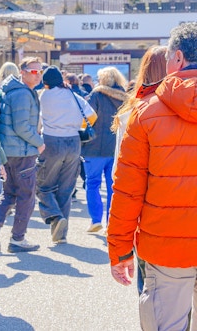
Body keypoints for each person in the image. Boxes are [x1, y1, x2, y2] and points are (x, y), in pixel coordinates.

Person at [108, 22, 197, 331]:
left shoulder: (145, 113)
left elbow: (128, 189)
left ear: (178, 59)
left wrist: (120, 249)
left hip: (167, 245)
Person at [111, 46, 167, 295]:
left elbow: (120, 176)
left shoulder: (131, 114)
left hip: (148, 217)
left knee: (154, 293)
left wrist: (121, 246)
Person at [0, 57, 45, 254]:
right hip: (22, 151)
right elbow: (22, 127)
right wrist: (39, 142)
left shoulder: (13, 90)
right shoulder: (22, 93)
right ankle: (17, 238)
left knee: (9, 193)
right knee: (26, 196)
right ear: (23, 71)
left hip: (9, 151)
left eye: (40, 71)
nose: (38, 75)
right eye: (34, 71)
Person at [37, 66, 94, 244]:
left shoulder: (43, 96)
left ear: (45, 83)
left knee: (42, 186)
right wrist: (77, 126)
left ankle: (54, 215)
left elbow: (37, 122)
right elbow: (93, 116)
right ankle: (60, 234)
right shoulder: (73, 95)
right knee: (66, 188)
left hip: (51, 142)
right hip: (74, 143)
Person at [84, 67, 127, 233]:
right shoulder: (126, 98)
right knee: (113, 186)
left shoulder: (96, 95)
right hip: (117, 149)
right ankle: (111, 222)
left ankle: (95, 220)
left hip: (94, 148)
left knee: (92, 183)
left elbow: (87, 118)